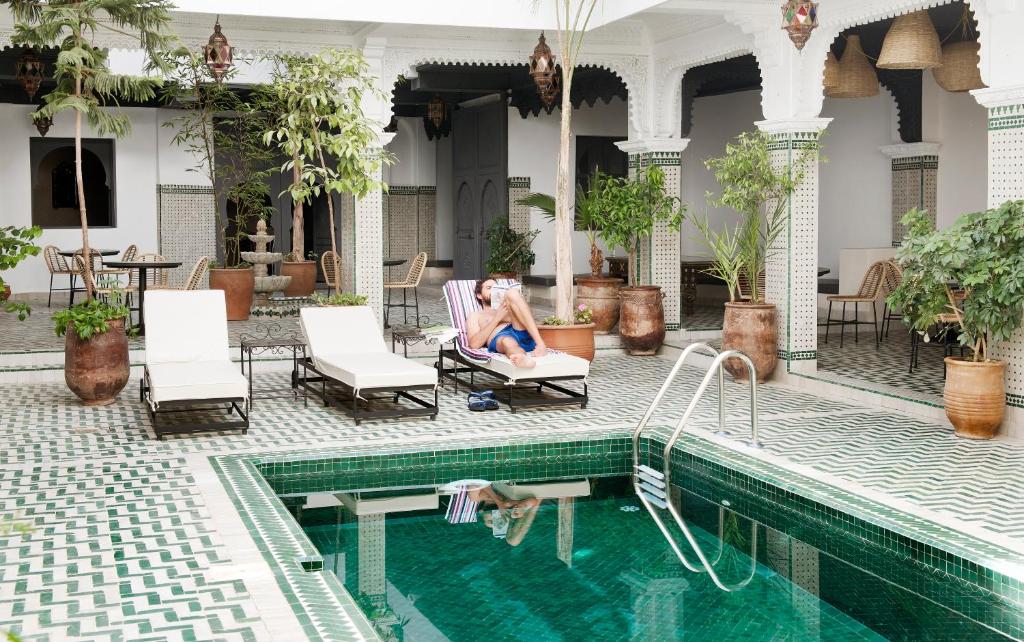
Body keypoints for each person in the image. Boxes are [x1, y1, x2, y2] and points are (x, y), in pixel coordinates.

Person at [466, 278, 548, 368]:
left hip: (520, 330)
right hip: (502, 338)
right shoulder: (475, 315)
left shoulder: (509, 305)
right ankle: (522, 358)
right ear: (479, 295)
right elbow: (474, 344)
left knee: (512, 292)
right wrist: (497, 318)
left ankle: (540, 344)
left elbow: (528, 319)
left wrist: (513, 301)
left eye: (495, 288)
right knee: (508, 341)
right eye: (489, 288)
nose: (493, 291)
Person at [468, 483, 541, 547]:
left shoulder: (476, 497)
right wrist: (522, 506)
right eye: (498, 521)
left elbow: (475, 482)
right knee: (513, 541)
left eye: (490, 521)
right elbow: (533, 501)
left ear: (481, 511)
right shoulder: (508, 503)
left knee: (513, 541)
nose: (494, 519)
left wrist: (497, 501)